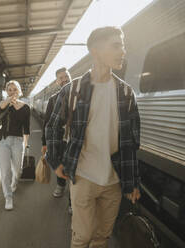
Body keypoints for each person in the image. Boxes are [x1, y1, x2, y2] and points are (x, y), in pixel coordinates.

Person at [45, 26, 141, 248]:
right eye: (116, 46)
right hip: (83, 175)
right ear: (96, 51)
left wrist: (132, 181)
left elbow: (131, 143)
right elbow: (53, 126)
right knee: (82, 237)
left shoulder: (126, 94)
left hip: (114, 179)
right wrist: (55, 160)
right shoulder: (72, 89)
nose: (123, 51)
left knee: (101, 238)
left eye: (123, 46)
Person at [41, 67, 73, 212]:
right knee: (61, 163)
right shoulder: (53, 100)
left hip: (75, 140)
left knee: (75, 169)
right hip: (60, 140)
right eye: (61, 77)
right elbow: (47, 123)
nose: (65, 79)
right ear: (57, 81)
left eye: (66, 76)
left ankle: (73, 201)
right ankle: (60, 184)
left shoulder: (80, 95)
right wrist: (44, 143)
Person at [0, 80, 30, 210]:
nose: (12, 92)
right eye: (9, 89)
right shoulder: (3, 105)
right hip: (3, 141)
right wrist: (8, 101)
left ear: (19, 91)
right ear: (6, 91)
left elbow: (26, 128)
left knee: (18, 169)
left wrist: (26, 144)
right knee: (5, 171)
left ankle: (15, 181)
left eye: (14, 89)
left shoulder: (26, 107)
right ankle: (8, 197)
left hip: (18, 141)